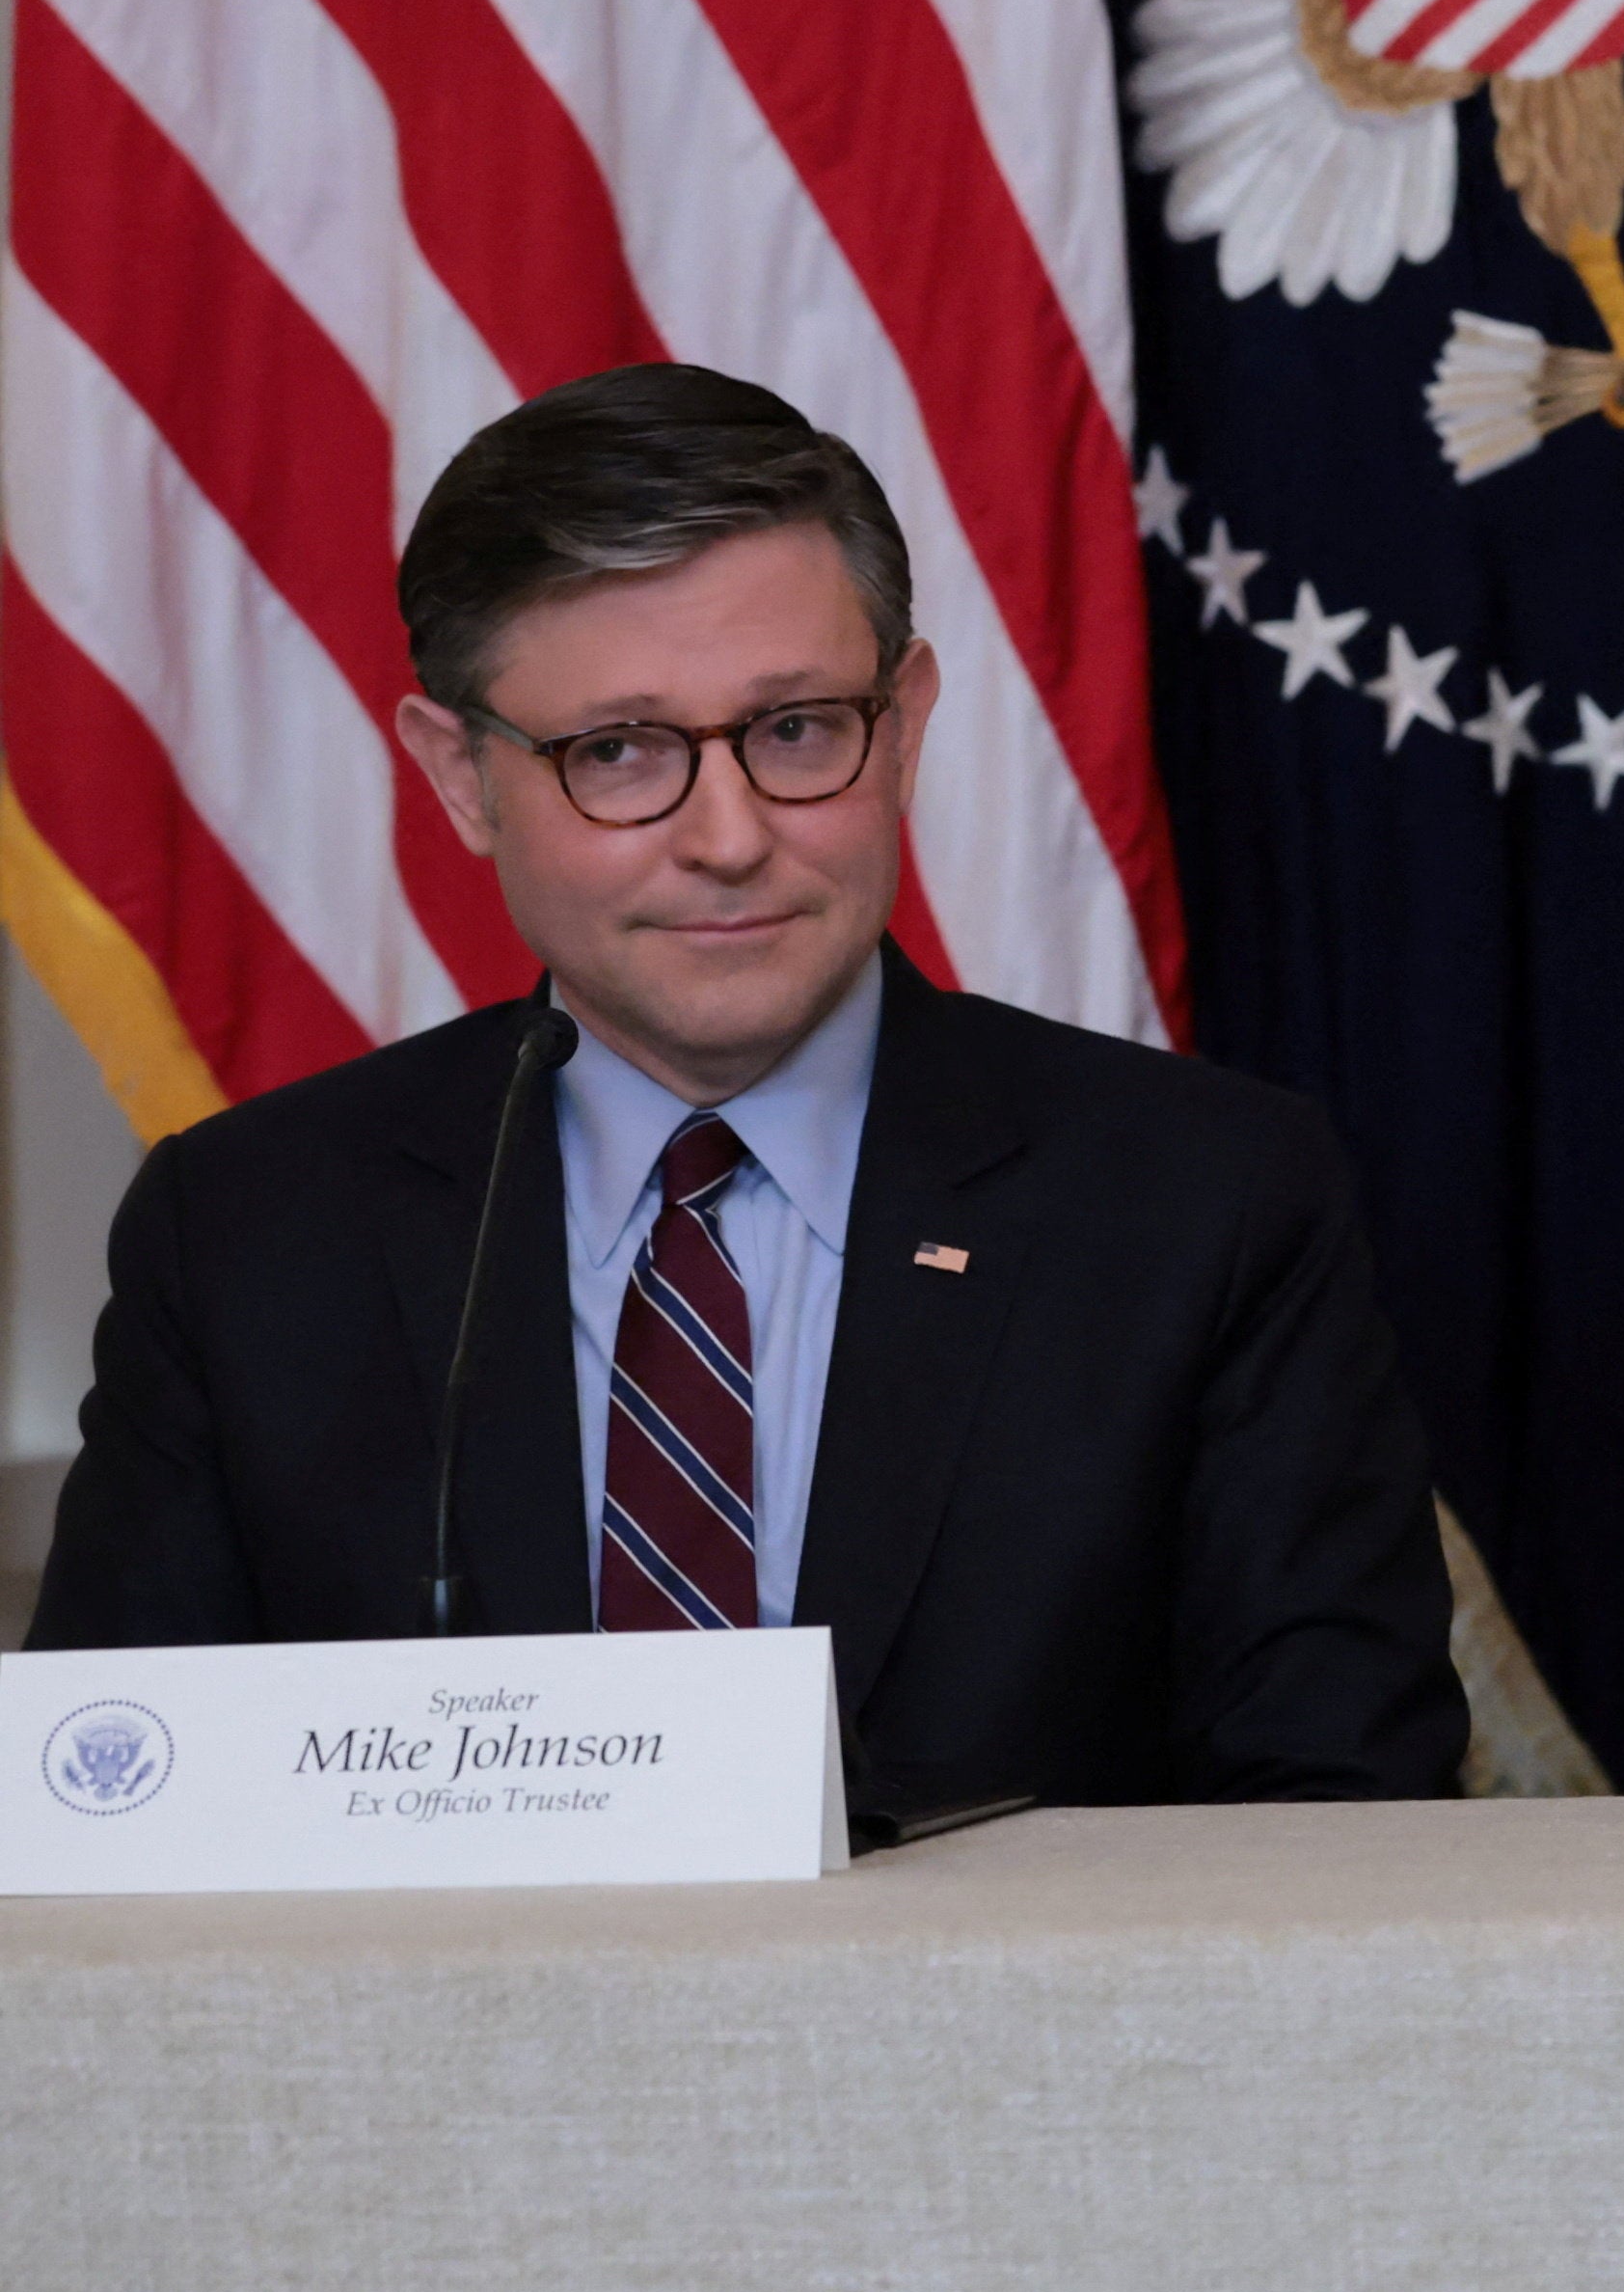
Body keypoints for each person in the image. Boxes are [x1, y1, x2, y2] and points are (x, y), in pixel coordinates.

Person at [29, 367, 1464, 1807]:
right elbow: (113, 1813)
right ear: (463, 777)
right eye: (620, 752)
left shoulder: (1202, 1204)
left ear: (901, 721)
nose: (727, 839)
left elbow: (1333, 1813)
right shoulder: (248, 1233)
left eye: (793, 731)